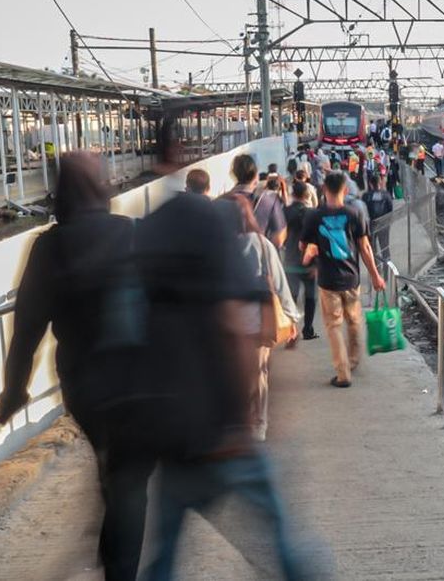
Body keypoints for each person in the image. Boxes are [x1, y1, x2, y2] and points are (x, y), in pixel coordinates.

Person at [135, 122, 307, 580]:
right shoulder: (211, 223)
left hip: (172, 423)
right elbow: (232, 322)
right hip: (219, 418)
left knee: (164, 550)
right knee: (280, 537)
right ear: (184, 152)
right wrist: (242, 419)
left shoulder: (147, 232)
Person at [0, 152, 153, 580]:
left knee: (117, 472)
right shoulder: (133, 233)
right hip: (138, 380)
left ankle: (112, 551)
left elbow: (26, 330)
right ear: (103, 188)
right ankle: (119, 567)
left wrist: (13, 392)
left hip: (84, 388)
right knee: (130, 484)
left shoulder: (48, 247)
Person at [301, 172, 386, 388]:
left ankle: (343, 372)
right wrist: (375, 276)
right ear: (345, 191)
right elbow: (365, 247)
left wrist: (313, 248)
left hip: (328, 280)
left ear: (323, 190)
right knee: (354, 321)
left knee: (333, 326)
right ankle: (353, 361)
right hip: (351, 279)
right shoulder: (354, 213)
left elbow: (304, 246)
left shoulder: (313, 216)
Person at [226, 193, 300, 442]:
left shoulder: (217, 246)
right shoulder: (262, 243)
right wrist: (291, 318)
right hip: (259, 321)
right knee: (259, 374)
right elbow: (279, 283)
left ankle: (239, 421)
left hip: (228, 324)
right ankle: (258, 424)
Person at [283, 181, 319, 342]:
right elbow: (317, 239)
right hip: (308, 262)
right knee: (310, 297)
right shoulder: (312, 213)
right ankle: (308, 329)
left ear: (293, 194)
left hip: (290, 260)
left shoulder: (285, 211)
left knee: (291, 296)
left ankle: (291, 330)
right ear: (306, 195)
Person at [229, 154, 287, 248]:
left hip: (230, 259)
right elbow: (279, 239)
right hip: (259, 257)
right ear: (256, 175)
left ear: (233, 174)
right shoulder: (269, 199)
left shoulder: (221, 201)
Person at [362, 173, 394, 266]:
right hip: (384, 223)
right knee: (385, 247)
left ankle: (376, 268)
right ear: (380, 183)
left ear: (370, 184)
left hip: (371, 224)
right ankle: (387, 269)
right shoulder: (386, 195)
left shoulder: (366, 196)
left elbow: (363, 210)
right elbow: (390, 209)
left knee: (372, 248)